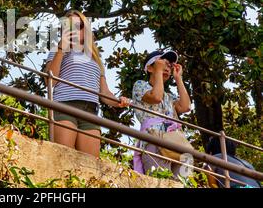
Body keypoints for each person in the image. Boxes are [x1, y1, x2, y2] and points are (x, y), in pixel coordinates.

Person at [45, 10, 129, 157]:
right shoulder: (57, 51)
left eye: (80, 25)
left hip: (90, 112)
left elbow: (104, 93)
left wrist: (118, 101)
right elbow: (50, 81)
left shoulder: (96, 59)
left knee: (90, 166)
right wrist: (61, 49)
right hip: (64, 106)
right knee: (63, 157)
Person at [132, 50, 191, 176]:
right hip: (154, 140)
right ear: (149, 68)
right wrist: (158, 71)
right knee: (160, 181)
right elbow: (156, 97)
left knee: (183, 183)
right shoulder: (140, 85)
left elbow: (186, 107)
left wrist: (178, 78)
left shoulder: (169, 96)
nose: (166, 67)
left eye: (169, 65)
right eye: (162, 63)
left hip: (176, 141)